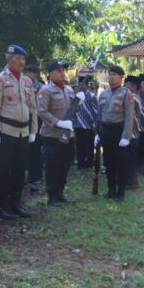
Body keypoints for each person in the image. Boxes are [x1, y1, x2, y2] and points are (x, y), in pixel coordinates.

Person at [0, 45, 38, 219]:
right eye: (17, 58)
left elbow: (33, 107)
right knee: (4, 171)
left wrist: (33, 130)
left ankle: (16, 204)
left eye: (23, 59)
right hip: (5, 132)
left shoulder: (27, 81)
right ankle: (3, 206)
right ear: (8, 59)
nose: (21, 62)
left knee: (19, 170)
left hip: (23, 132)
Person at [36, 60, 80, 206]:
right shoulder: (45, 90)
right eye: (59, 70)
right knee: (52, 166)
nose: (63, 73)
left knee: (64, 165)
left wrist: (79, 102)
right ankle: (52, 196)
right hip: (52, 135)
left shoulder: (68, 90)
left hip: (68, 135)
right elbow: (42, 112)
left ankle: (60, 193)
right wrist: (58, 122)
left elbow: (73, 110)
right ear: (51, 73)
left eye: (64, 70)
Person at [95, 65, 134, 200]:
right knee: (108, 162)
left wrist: (126, 136)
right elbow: (99, 115)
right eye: (110, 74)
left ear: (121, 77)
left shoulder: (126, 94)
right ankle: (111, 190)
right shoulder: (103, 94)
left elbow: (129, 116)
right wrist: (97, 133)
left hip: (119, 131)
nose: (111, 76)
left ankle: (120, 192)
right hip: (106, 131)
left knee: (120, 163)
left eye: (114, 74)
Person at [24, 64, 44, 190]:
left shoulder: (41, 87)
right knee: (25, 149)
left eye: (32, 73)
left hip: (37, 119)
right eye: (28, 72)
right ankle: (28, 175)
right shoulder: (21, 83)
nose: (30, 75)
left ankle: (37, 176)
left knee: (36, 149)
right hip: (23, 119)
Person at [73, 76, 98, 169]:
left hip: (88, 125)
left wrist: (95, 124)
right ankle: (80, 163)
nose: (80, 86)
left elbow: (96, 111)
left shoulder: (91, 96)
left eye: (82, 84)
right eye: (79, 84)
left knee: (89, 145)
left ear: (86, 85)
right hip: (77, 124)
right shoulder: (76, 96)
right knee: (79, 145)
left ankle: (89, 163)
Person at [124, 75, 141, 190]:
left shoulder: (133, 97)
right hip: (130, 133)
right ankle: (129, 181)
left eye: (126, 85)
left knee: (130, 159)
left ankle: (132, 182)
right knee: (128, 158)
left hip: (132, 134)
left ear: (133, 86)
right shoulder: (132, 96)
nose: (124, 87)